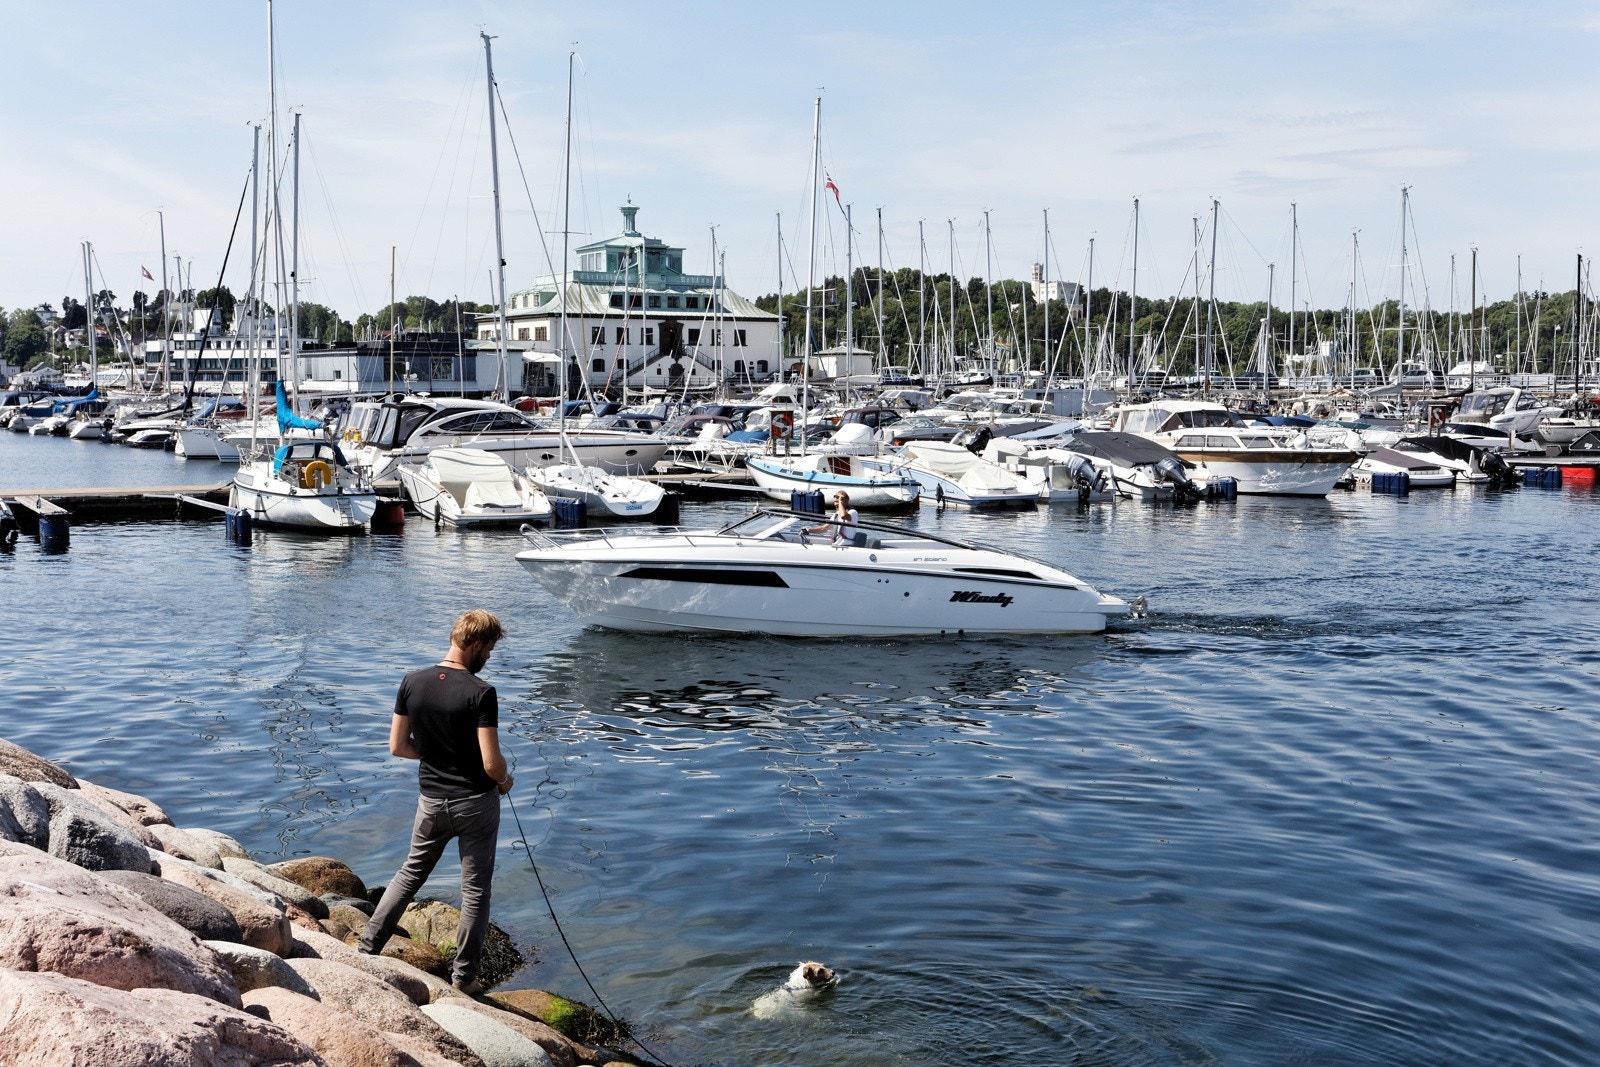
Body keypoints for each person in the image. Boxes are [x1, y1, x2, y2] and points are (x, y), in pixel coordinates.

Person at [359, 609, 512, 995]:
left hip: (431, 802)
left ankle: (366, 949)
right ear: (475, 644)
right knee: (475, 891)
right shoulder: (481, 692)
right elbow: (491, 764)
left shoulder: (412, 682)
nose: (488, 657)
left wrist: (437, 758)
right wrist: (505, 780)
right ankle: (464, 980)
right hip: (475, 805)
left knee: (409, 874)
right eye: (489, 649)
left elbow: (398, 746)